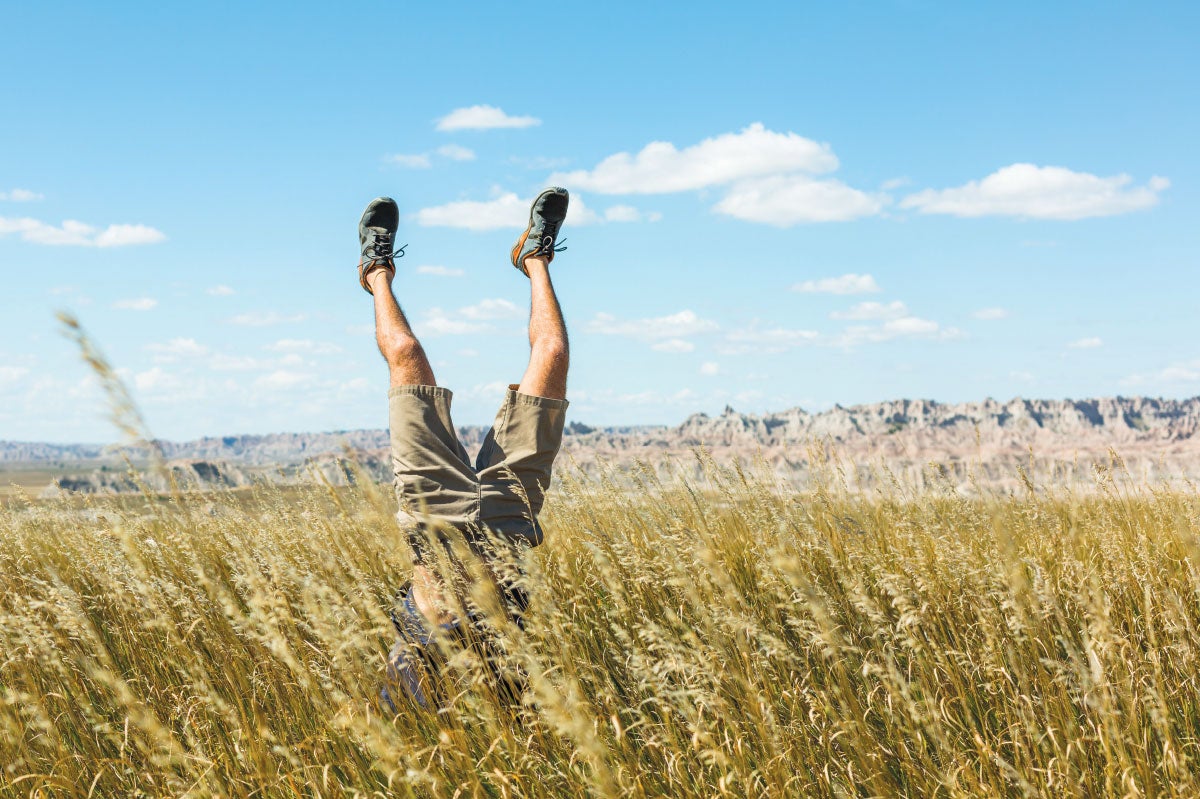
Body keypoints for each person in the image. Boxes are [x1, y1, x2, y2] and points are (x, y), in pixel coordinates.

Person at [359, 188, 572, 711]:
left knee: (407, 355)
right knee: (554, 354)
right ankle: (535, 258)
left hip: (433, 517)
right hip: (506, 521)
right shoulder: (511, 696)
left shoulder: (410, 685)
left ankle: (373, 270)